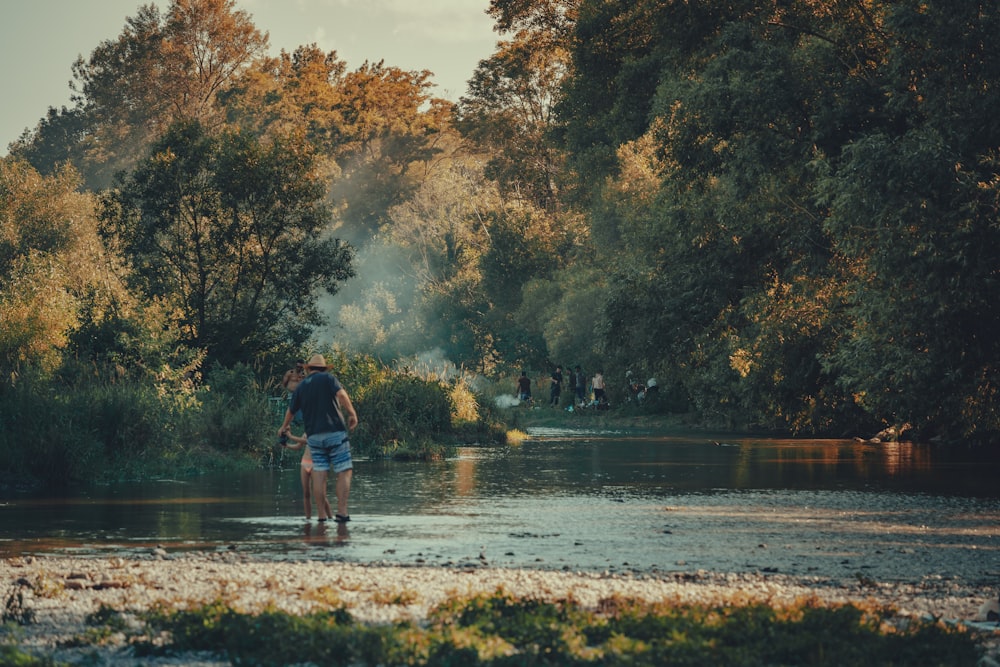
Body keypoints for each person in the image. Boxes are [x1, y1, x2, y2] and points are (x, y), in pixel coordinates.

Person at [279, 354, 359, 523]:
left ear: (308, 369)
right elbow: (342, 396)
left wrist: (284, 426)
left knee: (319, 473)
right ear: (323, 368)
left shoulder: (301, 387)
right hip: (335, 432)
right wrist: (352, 414)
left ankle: (321, 516)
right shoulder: (329, 379)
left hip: (314, 436)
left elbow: (290, 411)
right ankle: (342, 513)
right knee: (344, 470)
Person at [280, 430, 333, 521]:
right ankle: (308, 518)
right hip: (305, 463)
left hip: (316, 464)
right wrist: (287, 446)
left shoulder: (320, 432)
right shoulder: (307, 431)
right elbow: (298, 446)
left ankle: (330, 517)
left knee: (320, 493)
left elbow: (308, 441)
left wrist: (291, 436)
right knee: (306, 493)